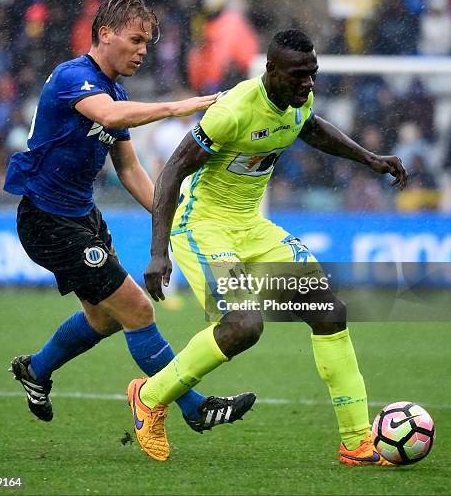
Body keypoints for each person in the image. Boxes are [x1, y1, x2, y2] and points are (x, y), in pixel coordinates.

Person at [130, 29, 408, 463]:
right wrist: (158, 251)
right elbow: (171, 173)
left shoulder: (298, 102)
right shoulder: (233, 111)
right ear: (271, 71)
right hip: (204, 228)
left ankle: (356, 442)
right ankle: (150, 396)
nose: (308, 84)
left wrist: (369, 159)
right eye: (299, 75)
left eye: (313, 74)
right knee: (244, 326)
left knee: (328, 311)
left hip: (252, 227)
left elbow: (312, 129)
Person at [3, 0, 255, 448]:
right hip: (46, 219)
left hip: (83, 216)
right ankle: (195, 407)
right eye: (136, 40)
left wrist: (173, 221)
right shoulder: (73, 77)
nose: (143, 50)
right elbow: (108, 115)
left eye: (148, 42)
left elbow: (130, 169)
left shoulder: (115, 90)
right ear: (105, 34)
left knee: (103, 319)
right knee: (137, 309)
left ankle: (35, 370)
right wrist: (182, 106)